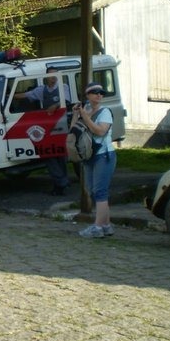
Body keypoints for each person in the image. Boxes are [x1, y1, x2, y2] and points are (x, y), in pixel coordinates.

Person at [14, 67, 71, 195]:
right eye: (50, 75)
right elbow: (26, 95)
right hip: (47, 128)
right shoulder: (41, 90)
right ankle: (61, 183)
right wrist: (10, 95)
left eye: (54, 74)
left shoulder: (64, 87)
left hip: (61, 127)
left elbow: (66, 101)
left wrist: (55, 106)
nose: (52, 77)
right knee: (49, 155)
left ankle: (61, 184)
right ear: (46, 76)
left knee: (61, 156)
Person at [73, 82, 116, 238]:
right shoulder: (87, 111)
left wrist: (85, 116)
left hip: (104, 155)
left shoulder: (105, 112)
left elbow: (100, 131)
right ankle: (106, 225)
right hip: (90, 156)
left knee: (100, 192)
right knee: (94, 191)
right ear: (87, 96)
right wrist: (77, 115)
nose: (99, 95)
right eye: (95, 92)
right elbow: (75, 131)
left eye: (101, 92)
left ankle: (97, 227)